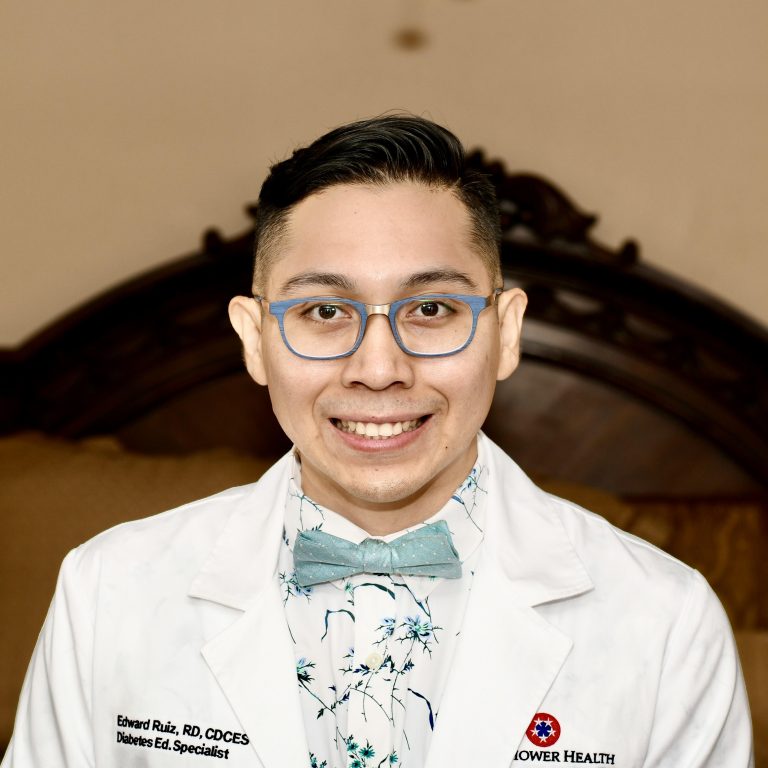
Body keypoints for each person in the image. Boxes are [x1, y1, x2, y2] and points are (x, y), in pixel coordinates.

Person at [2, 116, 753, 768]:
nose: (379, 368)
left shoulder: (665, 620)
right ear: (255, 339)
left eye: (431, 308)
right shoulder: (108, 591)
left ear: (505, 332)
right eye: (325, 312)